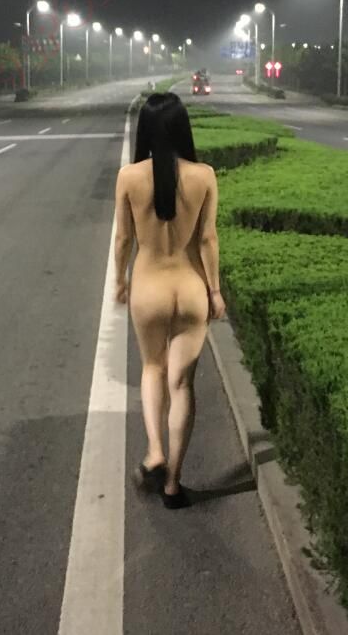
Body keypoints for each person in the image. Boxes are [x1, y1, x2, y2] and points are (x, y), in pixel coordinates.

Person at [114, 92, 226, 509]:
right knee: (182, 384)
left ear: (144, 130)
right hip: (191, 287)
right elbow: (208, 239)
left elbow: (123, 238)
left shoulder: (129, 177)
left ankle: (155, 451)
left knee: (152, 368)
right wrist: (215, 291)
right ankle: (174, 484)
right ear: (183, 129)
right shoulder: (204, 175)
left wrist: (119, 281)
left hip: (149, 288)